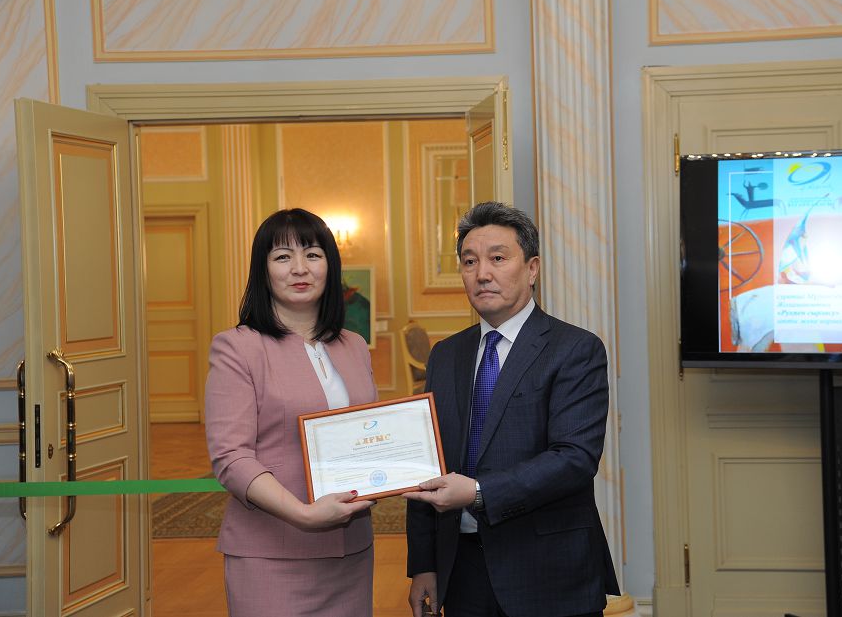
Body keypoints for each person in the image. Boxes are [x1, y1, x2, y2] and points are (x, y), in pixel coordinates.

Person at [405, 201, 619, 617]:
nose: (482, 273)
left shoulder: (575, 349)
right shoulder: (445, 355)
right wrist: (424, 565)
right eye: (470, 261)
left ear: (532, 268)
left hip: (548, 570)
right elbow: (424, 463)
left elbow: (574, 458)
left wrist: (478, 492)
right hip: (462, 569)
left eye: (498, 258)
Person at [205, 208, 377, 617]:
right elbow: (231, 457)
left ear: (330, 266)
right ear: (263, 270)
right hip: (271, 552)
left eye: (313, 255)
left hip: (350, 551)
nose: (300, 268)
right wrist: (304, 514)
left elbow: (369, 433)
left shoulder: (354, 345)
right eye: (283, 257)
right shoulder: (238, 347)